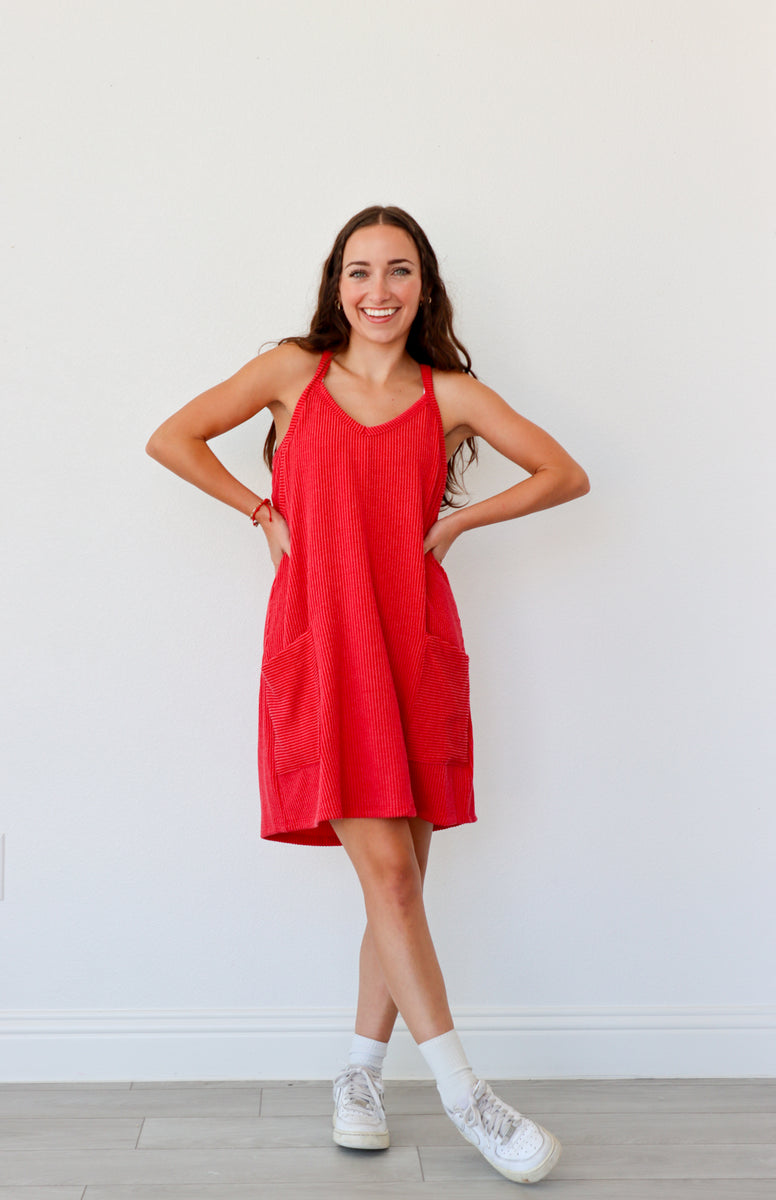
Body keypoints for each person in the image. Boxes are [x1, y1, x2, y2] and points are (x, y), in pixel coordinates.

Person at [146, 205, 589, 1185]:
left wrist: (459, 525)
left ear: (423, 286)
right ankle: (466, 1097)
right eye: (359, 272)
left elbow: (564, 473)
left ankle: (357, 1075)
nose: (377, 291)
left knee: (400, 886)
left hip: (413, 649)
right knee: (387, 877)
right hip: (319, 648)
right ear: (334, 284)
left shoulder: (453, 394)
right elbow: (172, 438)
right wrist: (261, 509)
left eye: (397, 271)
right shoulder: (290, 375)